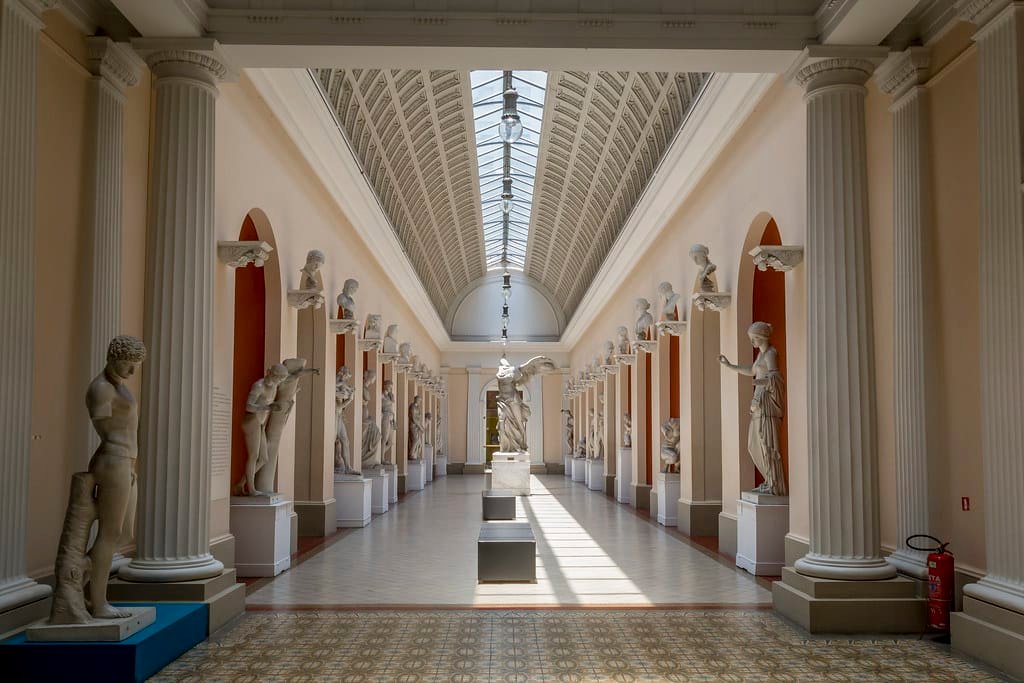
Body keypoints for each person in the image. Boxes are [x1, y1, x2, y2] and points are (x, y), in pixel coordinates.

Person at [78, 335, 147, 620]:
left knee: (124, 533)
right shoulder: (101, 389)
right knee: (109, 533)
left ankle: (81, 584)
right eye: (128, 364)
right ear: (113, 356)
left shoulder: (118, 385)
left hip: (126, 462)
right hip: (113, 460)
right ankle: (97, 601)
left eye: (135, 366)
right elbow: (104, 428)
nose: (132, 372)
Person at [719, 321, 787, 496]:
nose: (752, 342)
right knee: (753, 445)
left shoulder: (771, 353)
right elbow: (752, 370)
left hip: (766, 405)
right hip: (757, 404)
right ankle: (768, 479)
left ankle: (774, 485)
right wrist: (729, 366)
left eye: (753, 339)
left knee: (766, 444)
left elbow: (775, 378)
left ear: (761, 336)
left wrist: (760, 387)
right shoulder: (760, 355)